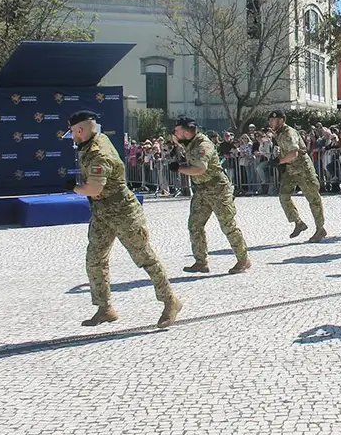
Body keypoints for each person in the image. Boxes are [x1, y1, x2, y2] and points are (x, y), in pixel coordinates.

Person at [66, 110, 181, 328]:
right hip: (102, 212)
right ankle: (105, 308)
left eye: (73, 132)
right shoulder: (93, 142)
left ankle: (170, 301)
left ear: (80, 130)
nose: (72, 137)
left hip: (123, 212)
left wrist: (71, 187)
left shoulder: (99, 152)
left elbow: (93, 187)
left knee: (145, 257)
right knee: (94, 259)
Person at [170, 118, 252, 274]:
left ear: (186, 132)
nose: (175, 133)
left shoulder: (203, 145)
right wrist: (177, 141)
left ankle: (243, 259)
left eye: (177, 130)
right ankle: (201, 262)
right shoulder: (191, 142)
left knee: (228, 225)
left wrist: (179, 168)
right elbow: (182, 144)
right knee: (195, 225)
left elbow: (200, 168)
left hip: (218, 189)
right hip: (201, 190)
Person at [270, 110, 327, 241]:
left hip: (303, 169)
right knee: (284, 196)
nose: (271, 123)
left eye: (274, 120)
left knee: (313, 199)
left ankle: (320, 228)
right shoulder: (278, 133)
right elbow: (286, 153)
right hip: (290, 169)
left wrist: (279, 161)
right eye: (271, 120)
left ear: (281, 120)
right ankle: (298, 223)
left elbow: (294, 154)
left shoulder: (288, 133)